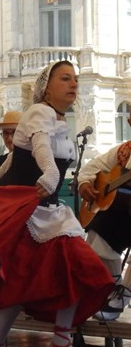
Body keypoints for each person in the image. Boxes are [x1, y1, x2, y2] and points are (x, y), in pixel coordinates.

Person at [0, 60, 114, 347]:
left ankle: (62, 340)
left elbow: (11, 159)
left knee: (79, 266)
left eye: (75, 79)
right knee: (19, 283)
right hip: (28, 212)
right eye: (65, 78)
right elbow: (40, 149)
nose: (73, 83)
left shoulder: (60, 121)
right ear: (47, 87)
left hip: (52, 212)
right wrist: (49, 173)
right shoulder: (39, 113)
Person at [78, 117, 131, 321]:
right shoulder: (123, 150)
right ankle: (111, 289)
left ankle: (124, 294)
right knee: (97, 234)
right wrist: (84, 183)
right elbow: (91, 168)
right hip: (120, 216)